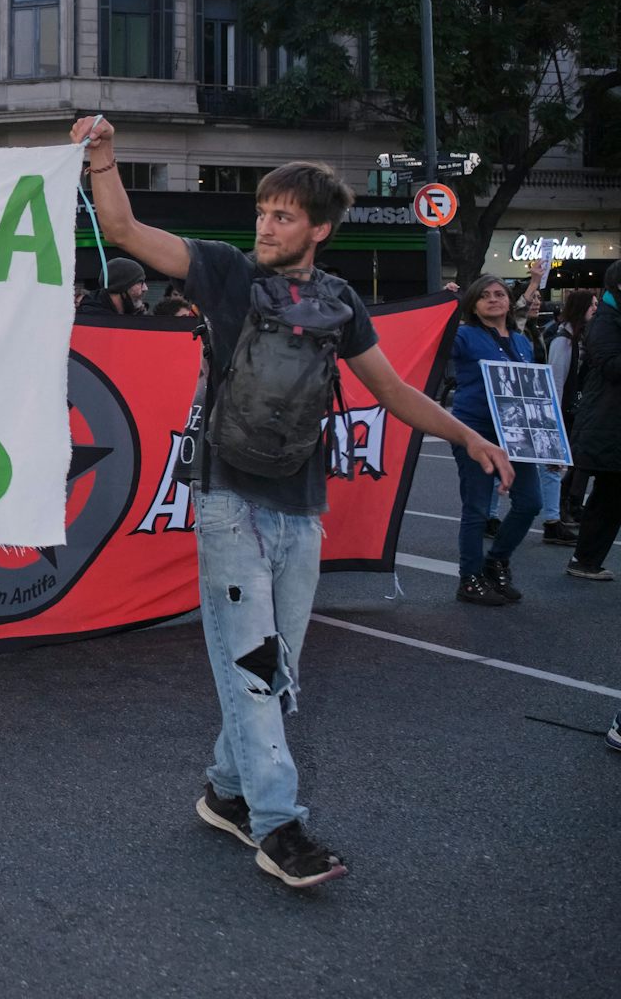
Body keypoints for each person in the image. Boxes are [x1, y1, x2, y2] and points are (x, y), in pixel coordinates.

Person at [79, 116, 510, 889]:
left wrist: (467, 437)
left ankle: (227, 791)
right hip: (228, 504)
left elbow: (391, 390)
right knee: (251, 666)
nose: (266, 225)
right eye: (262, 213)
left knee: (276, 670)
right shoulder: (223, 273)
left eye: (282, 215)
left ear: (320, 228)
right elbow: (122, 227)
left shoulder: (340, 300)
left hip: (301, 507)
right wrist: (104, 161)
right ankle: (280, 827)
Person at [446, 274, 544, 606]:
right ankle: (469, 578)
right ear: (472, 303)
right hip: (475, 431)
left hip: (518, 434)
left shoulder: (522, 341)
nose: (493, 299)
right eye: (484, 295)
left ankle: (496, 560)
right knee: (476, 508)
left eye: (499, 293)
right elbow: (437, 343)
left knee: (530, 502)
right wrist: (442, 309)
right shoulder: (463, 335)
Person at [565, 262, 621, 582]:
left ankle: (585, 558)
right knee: (608, 497)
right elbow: (612, 366)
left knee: (611, 498)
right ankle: (584, 559)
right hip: (608, 425)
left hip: (611, 424)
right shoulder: (605, 323)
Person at [543, 288, 596, 542]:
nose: (595, 309)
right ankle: (557, 514)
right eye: (591, 305)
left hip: (573, 408)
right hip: (563, 410)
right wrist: (555, 417)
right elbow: (556, 381)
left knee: (571, 462)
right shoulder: (563, 340)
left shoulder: (577, 337)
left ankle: (565, 509)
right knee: (555, 466)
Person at [75, 258, 147, 317]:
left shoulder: (136, 316)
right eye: (139, 282)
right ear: (120, 287)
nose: (145, 288)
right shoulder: (89, 319)